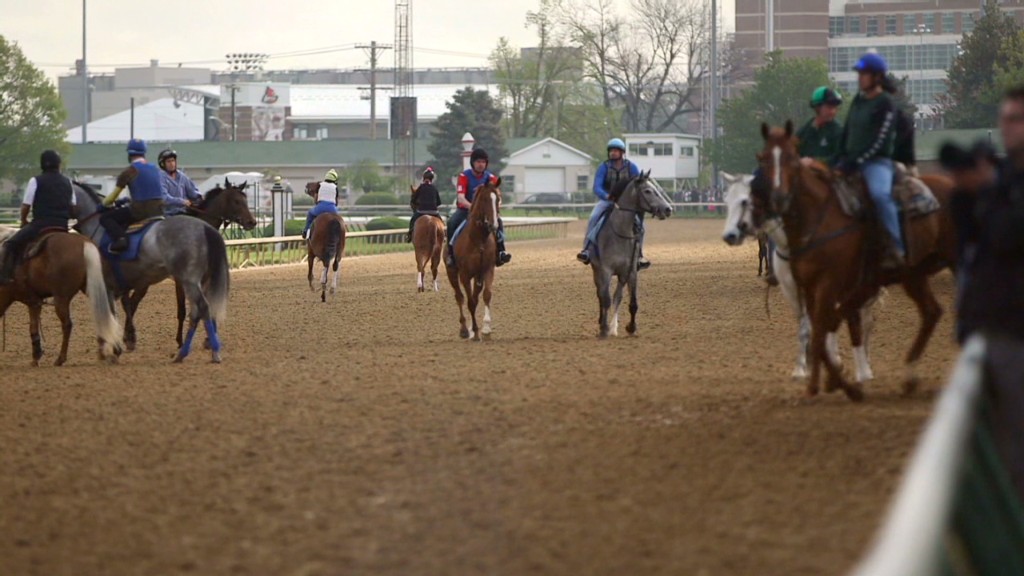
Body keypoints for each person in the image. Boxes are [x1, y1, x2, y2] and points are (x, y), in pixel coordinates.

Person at [947, 85, 1024, 500]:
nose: (1007, 127)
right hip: (990, 325)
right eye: (1005, 118)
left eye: (1017, 119)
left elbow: (1006, 235)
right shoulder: (1003, 178)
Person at [834, 52, 904, 271]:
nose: (860, 78)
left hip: (876, 163)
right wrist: (839, 159)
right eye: (859, 74)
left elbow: (880, 141)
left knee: (880, 196)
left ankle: (896, 247)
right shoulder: (858, 100)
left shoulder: (886, 103)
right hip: (850, 162)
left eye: (864, 74)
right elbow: (847, 132)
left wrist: (857, 160)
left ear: (877, 77)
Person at [0, 150, 76, 284]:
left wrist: (24, 221)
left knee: (9, 244)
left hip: (40, 224)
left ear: (42, 165)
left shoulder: (35, 181)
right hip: (62, 225)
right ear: (58, 164)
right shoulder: (68, 182)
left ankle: (5, 276)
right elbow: (73, 207)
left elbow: (26, 206)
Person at [576, 138, 644, 267]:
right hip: (607, 200)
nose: (612, 153)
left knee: (641, 226)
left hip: (626, 204)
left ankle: (639, 255)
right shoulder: (604, 167)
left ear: (622, 152)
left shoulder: (632, 167)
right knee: (594, 218)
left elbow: (638, 184)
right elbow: (597, 187)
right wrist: (607, 196)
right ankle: (586, 250)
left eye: (615, 150)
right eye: (611, 150)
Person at [446, 148, 512, 267]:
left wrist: (495, 207)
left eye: (483, 162)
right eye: (478, 162)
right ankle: (451, 254)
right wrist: (473, 207)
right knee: (452, 223)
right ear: (473, 163)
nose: (481, 164)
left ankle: (501, 251)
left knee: (499, 223)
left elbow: (498, 197)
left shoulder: (491, 178)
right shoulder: (464, 176)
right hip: (465, 210)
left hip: (485, 212)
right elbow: (461, 197)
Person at [101, 139, 166, 253]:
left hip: (140, 211)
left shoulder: (129, 171)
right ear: (144, 153)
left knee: (105, 218)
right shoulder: (155, 168)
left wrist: (103, 204)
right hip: (159, 210)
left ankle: (121, 239)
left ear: (129, 154)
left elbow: (111, 199)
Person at [796, 86, 844, 165]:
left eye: (835, 108)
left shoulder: (838, 131)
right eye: (829, 107)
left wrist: (814, 162)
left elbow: (839, 158)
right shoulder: (805, 130)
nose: (833, 112)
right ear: (817, 107)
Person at [158, 148, 202, 216]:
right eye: (168, 161)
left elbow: (193, 192)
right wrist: (182, 201)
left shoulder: (182, 176)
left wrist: (200, 197)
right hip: (169, 214)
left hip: (185, 212)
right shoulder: (161, 177)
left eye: (173, 161)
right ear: (163, 164)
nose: (172, 164)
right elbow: (164, 198)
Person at [302, 169, 340, 239]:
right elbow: (336, 202)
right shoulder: (335, 188)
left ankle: (306, 231)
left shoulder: (320, 185)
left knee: (310, 213)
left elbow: (316, 199)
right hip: (332, 209)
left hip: (321, 207)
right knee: (339, 219)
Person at [408, 167, 442, 242]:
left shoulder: (420, 187)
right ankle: (444, 236)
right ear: (432, 179)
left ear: (423, 178)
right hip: (434, 212)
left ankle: (409, 235)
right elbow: (439, 202)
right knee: (441, 222)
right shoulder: (434, 188)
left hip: (421, 211)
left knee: (412, 220)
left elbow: (414, 200)